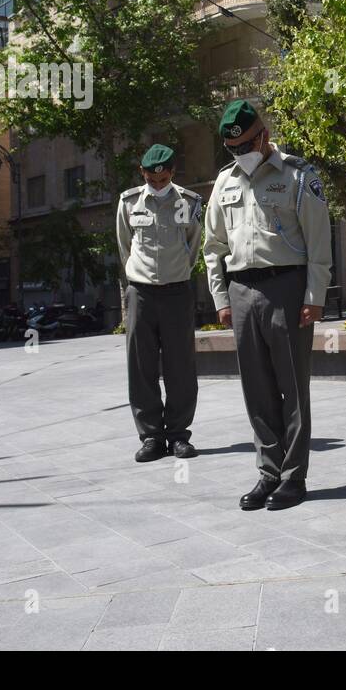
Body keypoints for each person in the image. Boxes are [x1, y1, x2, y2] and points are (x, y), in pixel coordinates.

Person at [203, 100, 332, 512]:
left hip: (287, 287)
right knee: (256, 387)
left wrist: (314, 297)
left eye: (246, 146)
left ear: (263, 135)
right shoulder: (224, 182)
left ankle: (294, 477)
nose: (241, 155)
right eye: (233, 150)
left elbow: (319, 243)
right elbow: (212, 246)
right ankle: (268, 472)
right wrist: (222, 297)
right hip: (242, 290)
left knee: (292, 386)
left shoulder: (297, 175)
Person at [116, 143, 203, 462]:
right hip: (140, 291)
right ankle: (151, 436)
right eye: (151, 180)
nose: (157, 184)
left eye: (163, 179)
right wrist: (139, 276)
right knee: (141, 366)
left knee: (180, 365)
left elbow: (194, 244)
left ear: (172, 173)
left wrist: (176, 270)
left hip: (177, 291)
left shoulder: (189, 201)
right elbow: (125, 245)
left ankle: (179, 435)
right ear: (142, 173)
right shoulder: (128, 202)